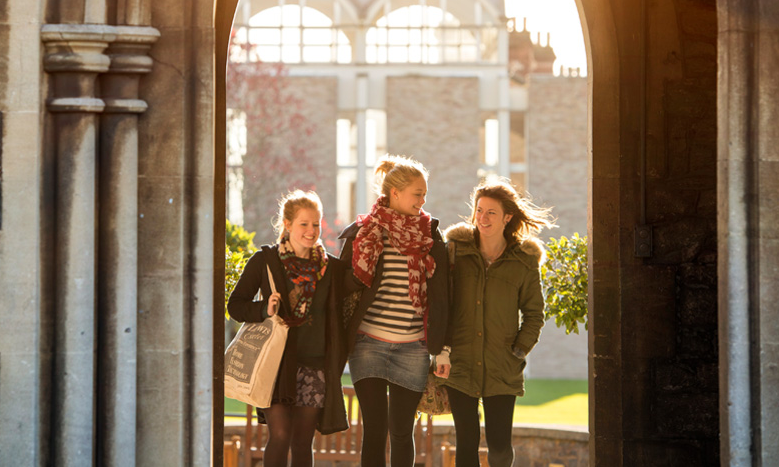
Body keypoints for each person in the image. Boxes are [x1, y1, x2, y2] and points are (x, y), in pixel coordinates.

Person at [338, 154, 451, 467]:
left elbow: (442, 296)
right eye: (418, 193)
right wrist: (361, 268)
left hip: (412, 349)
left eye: (425, 194)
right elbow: (342, 287)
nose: (423, 200)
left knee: (402, 431)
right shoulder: (365, 233)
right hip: (368, 346)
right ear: (395, 193)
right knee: (374, 430)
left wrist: (442, 350)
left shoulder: (431, 235)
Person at [227, 190, 348, 467]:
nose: (311, 231)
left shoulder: (329, 268)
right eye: (304, 224)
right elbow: (235, 305)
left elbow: (357, 286)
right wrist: (263, 309)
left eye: (316, 224)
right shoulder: (266, 261)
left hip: (314, 365)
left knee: (303, 442)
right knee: (280, 434)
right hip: (276, 365)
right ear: (288, 224)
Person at [442, 179, 553, 467]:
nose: (483, 218)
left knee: (500, 446)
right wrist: (443, 348)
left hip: (502, 365)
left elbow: (534, 313)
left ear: (507, 217)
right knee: (465, 444)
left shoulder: (523, 262)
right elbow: (441, 302)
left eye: (491, 212)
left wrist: (518, 349)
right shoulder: (456, 253)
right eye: (479, 210)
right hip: (461, 363)